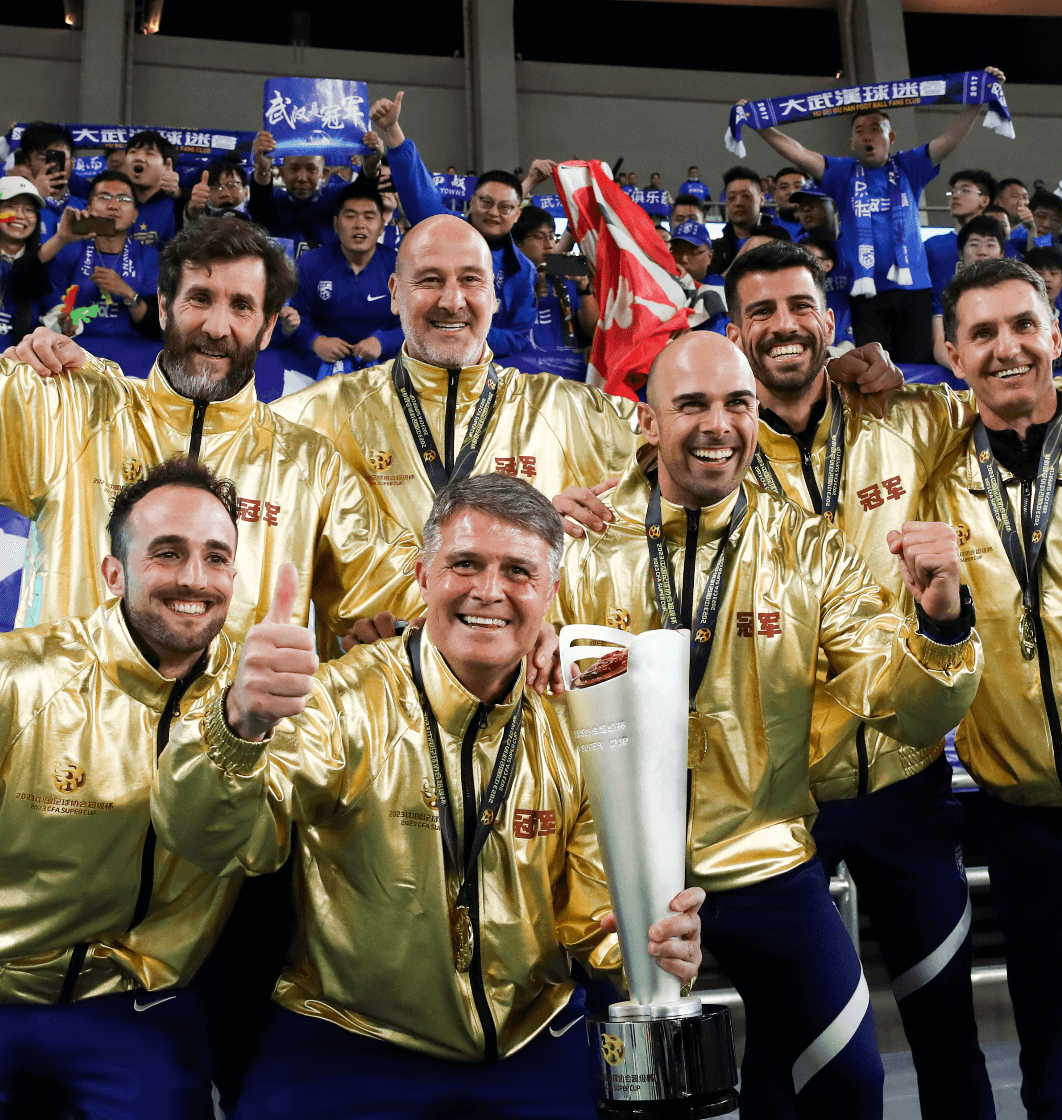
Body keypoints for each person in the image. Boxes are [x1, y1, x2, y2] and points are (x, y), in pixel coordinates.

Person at [151, 473, 705, 1118]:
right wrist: (237, 726)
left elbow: (591, 912)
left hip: (530, 1044)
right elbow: (211, 839)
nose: (489, 591)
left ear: (551, 592)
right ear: (422, 576)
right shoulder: (339, 702)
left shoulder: (574, 720)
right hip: (350, 1044)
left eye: (518, 571)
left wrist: (650, 941)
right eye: (465, 564)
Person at [552, 328, 983, 1119]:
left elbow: (900, 703)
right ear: (646, 421)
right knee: (629, 1103)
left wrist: (942, 627)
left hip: (766, 860)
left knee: (848, 1082)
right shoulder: (576, 543)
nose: (719, 425)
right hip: (614, 873)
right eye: (692, 404)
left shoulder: (810, 550)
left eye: (738, 404)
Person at [0, 217, 422, 646]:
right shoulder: (73, 409)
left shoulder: (311, 465)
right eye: (200, 299)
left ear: (267, 327)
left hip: (242, 695)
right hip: (76, 693)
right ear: (164, 307)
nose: (217, 328)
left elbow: (398, 587)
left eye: (241, 306)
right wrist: (22, 369)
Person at [927, 257, 1062, 1120]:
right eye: (982, 333)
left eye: (1022, 326)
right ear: (952, 353)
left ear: (1056, 335)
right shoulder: (933, 464)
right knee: (1053, 1070)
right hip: (1026, 814)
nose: (1006, 348)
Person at [0, 458, 244, 1119]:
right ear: (114, 573)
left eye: (216, 558)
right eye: (167, 553)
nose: (194, 578)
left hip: (139, 1009)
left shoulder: (258, 700)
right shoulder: (20, 678)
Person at [272, 212, 641, 552]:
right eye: (430, 280)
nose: (452, 301)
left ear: (493, 296)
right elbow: (242, 448)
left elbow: (667, 437)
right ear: (395, 293)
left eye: (470, 280)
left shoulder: (564, 409)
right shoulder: (321, 415)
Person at [753, 67, 1005, 361]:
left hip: (914, 289)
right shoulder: (843, 173)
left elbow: (949, 139)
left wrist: (976, 101)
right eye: (859, 131)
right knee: (873, 369)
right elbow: (798, 152)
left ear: (891, 137)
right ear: (851, 143)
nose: (867, 135)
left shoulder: (910, 166)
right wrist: (760, 127)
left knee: (919, 367)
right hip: (866, 294)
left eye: (875, 128)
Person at [373, 91, 535, 361]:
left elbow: (519, 336)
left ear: (517, 214)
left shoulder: (523, 270)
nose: (493, 213)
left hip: (488, 369)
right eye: (486, 202)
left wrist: (467, 333)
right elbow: (418, 192)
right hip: (427, 359)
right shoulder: (445, 230)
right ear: (472, 201)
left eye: (505, 207)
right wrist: (391, 129)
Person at [288, 180, 404, 371]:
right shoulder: (310, 263)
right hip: (320, 364)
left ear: (381, 226)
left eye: (369, 217)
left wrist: (383, 342)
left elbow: (412, 326)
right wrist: (314, 341)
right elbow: (294, 319)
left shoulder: (399, 267)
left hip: (383, 366)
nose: (359, 225)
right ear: (336, 224)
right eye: (350, 216)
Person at [40, 170, 160, 349]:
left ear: (135, 215)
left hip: (135, 348)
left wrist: (128, 294)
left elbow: (156, 324)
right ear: (88, 209)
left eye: (124, 199)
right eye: (104, 197)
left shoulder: (149, 256)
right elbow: (50, 299)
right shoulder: (69, 249)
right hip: (76, 346)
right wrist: (63, 321)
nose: (113, 206)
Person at [248, 128, 382, 257]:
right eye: (294, 168)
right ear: (283, 173)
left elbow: (362, 194)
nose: (302, 178)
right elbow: (260, 201)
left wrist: (370, 168)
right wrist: (262, 169)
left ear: (324, 174)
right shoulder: (273, 200)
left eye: (311, 169)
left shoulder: (333, 197)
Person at [509, 204, 596, 380]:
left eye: (551, 237)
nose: (549, 245)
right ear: (518, 244)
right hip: (522, 377)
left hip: (571, 377)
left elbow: (592, 329)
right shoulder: (505, 279)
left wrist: (584, 287)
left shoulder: (568, 275)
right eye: (539, 237)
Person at [932, 214, 1007, 368]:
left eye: (990, 245)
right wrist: (968, 373)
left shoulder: (1012, 294)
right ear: (960, 253)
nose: (982, 252)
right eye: (974, 244)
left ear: (1001, 254)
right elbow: (940, 348)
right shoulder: (946, 294)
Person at [926, 169, 997, 308]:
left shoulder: (1000, 246)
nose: (955, 196)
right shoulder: (931, 245)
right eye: (952, 191)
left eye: (965, 190)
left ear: (985, 200)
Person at [0, 176, 52, 345]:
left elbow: (55, 309)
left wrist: (67, 320)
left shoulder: (45, 263)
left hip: (18, 357)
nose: (20, 215)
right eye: (10, 206)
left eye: (29, 210)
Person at [122, 131, 181, 249]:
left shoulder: (178, 204)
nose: (138, 158)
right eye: (133, 152)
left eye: (149, 153)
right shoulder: (114, 202)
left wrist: (179, 195)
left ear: (167, 165)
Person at [801, 234, 855, 350]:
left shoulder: (837, 300)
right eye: (797, 258)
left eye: (809, 258)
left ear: (827, 266)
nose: (801, 263)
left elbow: (846, 345)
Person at [710, 165, 768, 274]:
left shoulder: (778, 240)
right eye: (732, 197)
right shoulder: (715, 248)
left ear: (761, 199)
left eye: (746, 196)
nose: (738, 203)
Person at [184, 158, 250, 223]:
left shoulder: (255, 217)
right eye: (215, 188)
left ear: (246, 192)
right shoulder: (204, 224)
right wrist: (193, 210)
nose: (224, 194)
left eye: (232, 185)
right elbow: (192, 222)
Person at [770, 166, 807, 237]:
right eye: (784, 187)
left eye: (798, 186)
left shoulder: (823, 227)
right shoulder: (764, 230)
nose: (791, 192)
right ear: (775, 196)